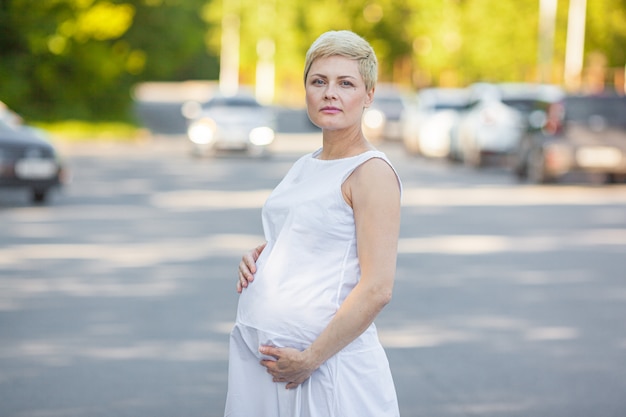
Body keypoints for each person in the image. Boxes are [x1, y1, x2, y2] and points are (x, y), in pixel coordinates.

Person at [224, 30, 402, 417]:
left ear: (368, 95)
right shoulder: (306, 164)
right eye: (318, 81)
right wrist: (261, 258)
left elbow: (377, 288)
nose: (329, 93)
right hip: (269, 363)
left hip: (327, 370)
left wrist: (310, 359)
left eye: (346, 83)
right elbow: (308, 238)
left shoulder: (371, 172)